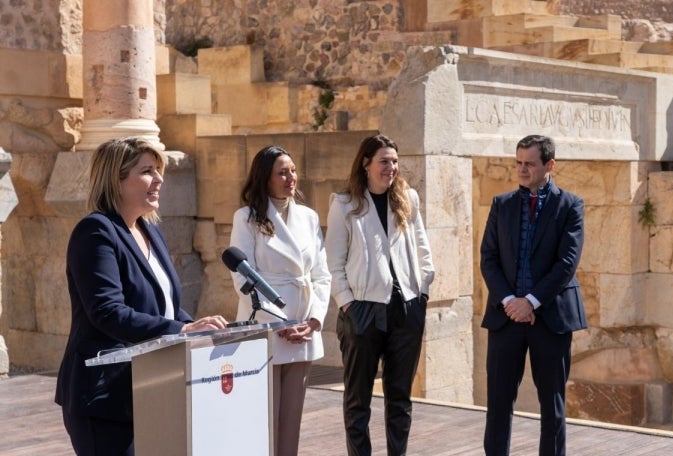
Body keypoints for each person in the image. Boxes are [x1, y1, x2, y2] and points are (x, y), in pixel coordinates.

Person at [55, 137, 228, 456]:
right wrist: (182, 331)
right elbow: (107, 312)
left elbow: (165, 307)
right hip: (104, 397)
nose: (160, 179)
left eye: (159, 171)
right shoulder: (96, 232)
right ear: (116, 180)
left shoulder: (151, 232)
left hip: (151, 390)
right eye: (148, 171)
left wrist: (194, 325)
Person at [325, 133, 435, 456]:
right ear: (366, 164)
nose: (392, 168)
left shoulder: (408, 199)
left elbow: (424, 252)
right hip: (362, 313)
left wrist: (423, 293)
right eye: (384, 161)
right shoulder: (344, 205)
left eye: (395, 162)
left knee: (400, 399)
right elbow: (333, 264)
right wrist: (348, 304)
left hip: (406, 309)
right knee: (358, 401)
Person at [480, 134, 587, 456]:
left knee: (552, 404)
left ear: (549, 165)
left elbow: (567, 262)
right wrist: (511, 301)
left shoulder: (571, 205)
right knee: (498, 403)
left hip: (551, 317)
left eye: (529, 163)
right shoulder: (502, 204)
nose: (522, 169)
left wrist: (532, 301)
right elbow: (488, 258)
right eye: (518, 163)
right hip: (505, 317)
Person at [228, 145, 331, 456]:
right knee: (263, 420)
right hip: (268, 331)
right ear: (265, 178)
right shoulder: (246, 218)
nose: (291, 178)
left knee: (291, 423)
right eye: (282, 172)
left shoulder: (309, 217)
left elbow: (321, 275)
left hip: (303, 331)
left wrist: (312, 321)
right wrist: (281, 323)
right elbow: (243, 278)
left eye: (293, 171)